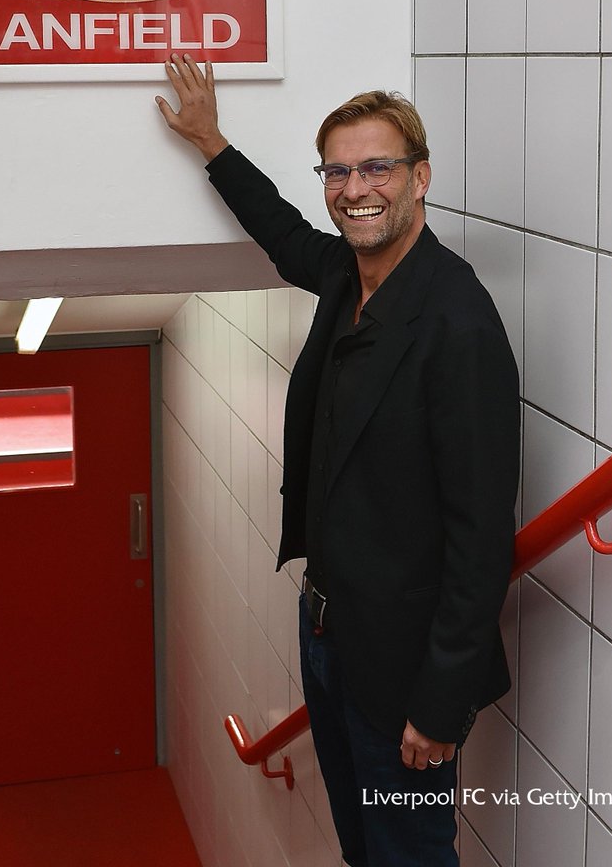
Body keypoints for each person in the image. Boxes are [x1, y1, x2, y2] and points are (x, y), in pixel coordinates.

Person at [155, 54, 521, 867]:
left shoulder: (457, 325)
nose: (357, 189)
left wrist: (439, 703)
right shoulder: (346, 277)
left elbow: (480, 534)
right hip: (327, 629)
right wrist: (212, 142)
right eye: (339, 171)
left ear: (420, 178)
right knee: (364, 848)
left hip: (401, 659)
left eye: (378, 168)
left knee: (409, 853)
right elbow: (286, 238)